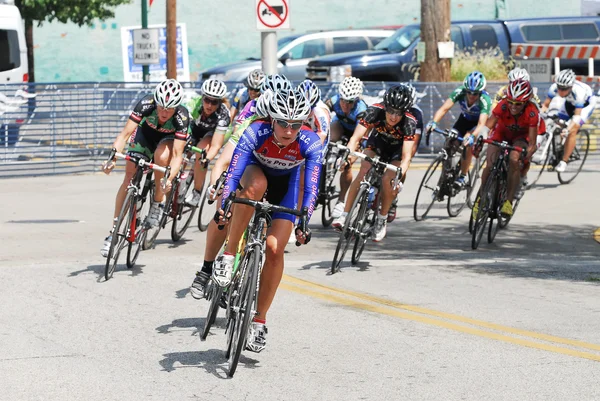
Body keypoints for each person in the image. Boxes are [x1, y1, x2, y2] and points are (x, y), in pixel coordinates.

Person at [194, 87, 321, 352]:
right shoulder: (255, 131)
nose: (289, 130)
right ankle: (229, 255)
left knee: (274, 248)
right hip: (255, 173)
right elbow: (234, 171)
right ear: (272, 119)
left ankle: (260, 320)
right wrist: (226, 202)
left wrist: (305, 221)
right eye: (283, 123)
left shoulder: (310, 143)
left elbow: (311, 188)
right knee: (256, 185)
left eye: (295, 124)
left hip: (288, 185)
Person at [100, 79, 190, 256]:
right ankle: (114, 232)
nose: (164, 112)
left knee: (161, 156)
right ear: (155, 102)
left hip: (167, 141)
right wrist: (111, 159)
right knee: (129, 177)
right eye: (161, 107)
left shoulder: (182, 116)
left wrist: (168, 179)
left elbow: (177, 155)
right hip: (145, 135)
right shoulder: (146, 104)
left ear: (177, 107)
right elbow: (124, 135)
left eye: (169, 108)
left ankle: (158, 201)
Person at [331, 84, 417, 242]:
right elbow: (355, 139)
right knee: (363, 170)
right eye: (390, 110)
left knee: (387, 181)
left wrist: (399, 176)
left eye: (398, 113)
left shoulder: (409, 123)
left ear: (405, 112)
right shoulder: (374, 111)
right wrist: (345, 157)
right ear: (385, 106)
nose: (393, 117)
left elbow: (406, 157)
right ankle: (344, 215)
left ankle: (381, 220)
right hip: (378, 142)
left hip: (396, 151)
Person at [473, 79, 538, 217]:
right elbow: (488, 125)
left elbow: (532, 142)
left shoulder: (532, 112)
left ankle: (508, 202)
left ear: (526, 102)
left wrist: (528, 154)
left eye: (518, 104)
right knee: (490, 164)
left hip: (520, 138)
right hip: (501, 133)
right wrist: (482, 134)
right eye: (510, 102)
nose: (513, 106)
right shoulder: (503, 106)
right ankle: (481, 199)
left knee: (514, 160)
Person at [426, 71, 491, 188]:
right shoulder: (459, 92)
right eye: (469, 92)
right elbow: (443, 109)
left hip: (477, 124)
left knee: (467, 143)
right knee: (450, 142)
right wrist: (434, 122)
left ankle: (463, 176)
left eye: (475, 93)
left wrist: (472, 136)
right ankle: (446, 175)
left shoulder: (485, 100)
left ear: (480, 92)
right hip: (464, 119)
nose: (471, 95)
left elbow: (481, 123)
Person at [326, 76, 368, 219]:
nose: (345, 105)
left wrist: (348, 155)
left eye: (350, 102)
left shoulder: (361, 110)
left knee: (347, 163)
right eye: (343, 100)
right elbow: (322, 112)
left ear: (356, 100)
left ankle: (341, 200)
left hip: (357, 134)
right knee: (329, 133)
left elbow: (357, 138)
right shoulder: (334, 100)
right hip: (341, 127)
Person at [183, 78, 230, 206]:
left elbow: (215, 145)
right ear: (202, 97)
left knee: (201, 152)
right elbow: (183, 127)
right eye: (207, 100)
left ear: (219, 102)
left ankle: (197, 192)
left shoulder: (223, 114)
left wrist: (207, 159)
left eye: (214, 102)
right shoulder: (193, 103)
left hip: (212, 133)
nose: (209, 105)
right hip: (195, 128)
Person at [540, 69, 596, 173]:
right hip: (569, 103)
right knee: (556, 121)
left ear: (570, 87)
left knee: (572, 129)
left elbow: (577, 116)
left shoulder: (579, 92)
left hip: (585, 106)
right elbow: (545, 105)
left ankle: (564, 161)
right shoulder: (554, 87)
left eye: (564, 89)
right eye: (559, 88)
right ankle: (558, 150)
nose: (561, 91)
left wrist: (568, 129)